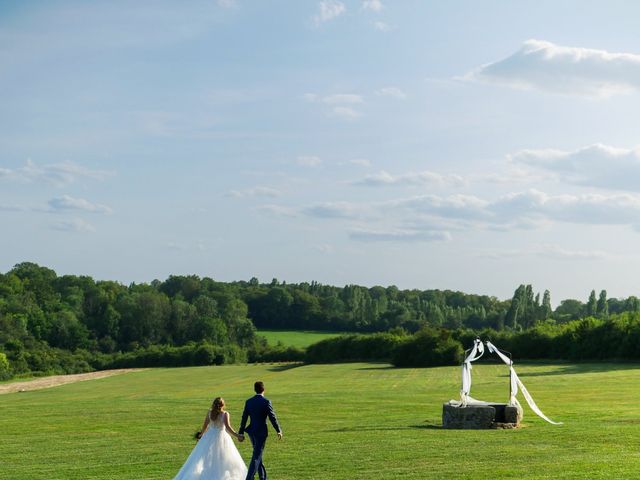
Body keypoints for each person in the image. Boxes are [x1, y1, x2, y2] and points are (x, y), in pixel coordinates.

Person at [173, 397, 248, 480]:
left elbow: (204, 426)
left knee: (205, 456)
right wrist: (238, 435)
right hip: (221, 437)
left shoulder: (209, 413)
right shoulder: (225, 414)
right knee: (223, 457)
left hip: (209, 436)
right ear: (223, 405)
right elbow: (228, 428)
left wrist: (200, 435)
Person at [239, 381, 282, 480]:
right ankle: (249, 478)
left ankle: (262, 477)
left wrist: (241, 432)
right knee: (257, 456)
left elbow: (244, 417)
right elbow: (272, 417)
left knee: (257, 454)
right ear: (264, 389)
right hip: (261, 432)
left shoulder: (249, 401)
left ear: (254, 390)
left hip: (252, 432)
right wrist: (278, 429)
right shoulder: (266, 402)